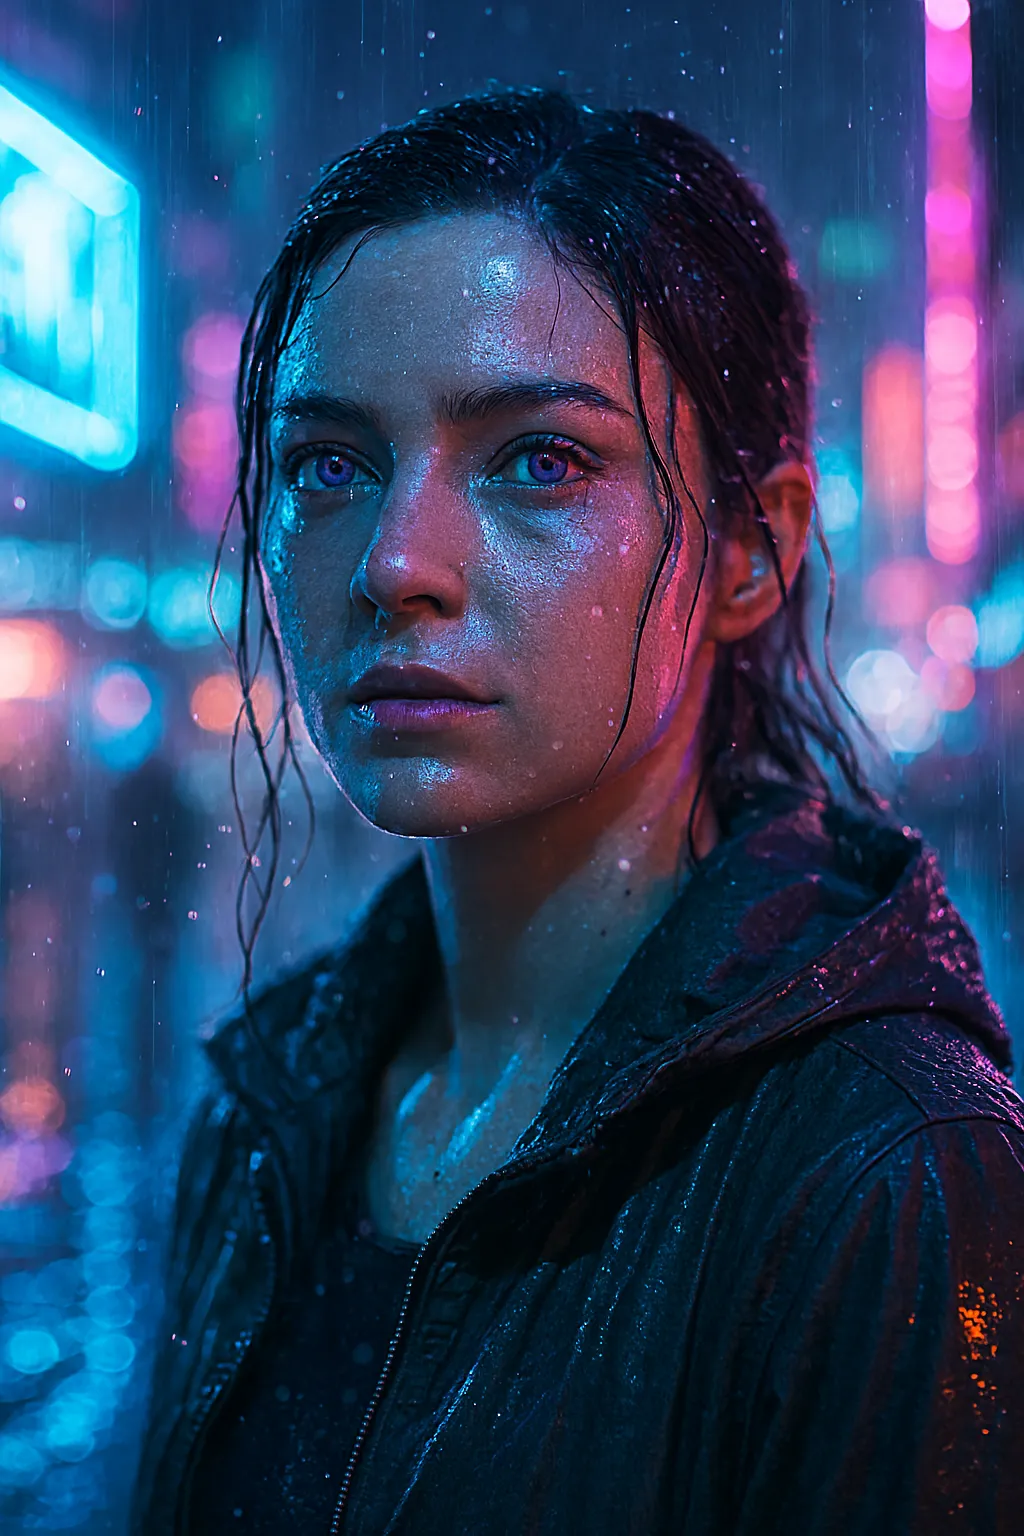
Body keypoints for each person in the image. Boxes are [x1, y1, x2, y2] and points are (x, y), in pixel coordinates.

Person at [131, 90, 1024, 1536]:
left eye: (539, 459)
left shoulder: (895, 1175)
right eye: (330, 465)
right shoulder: (268, 1107)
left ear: (750, 553)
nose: (397, 564)